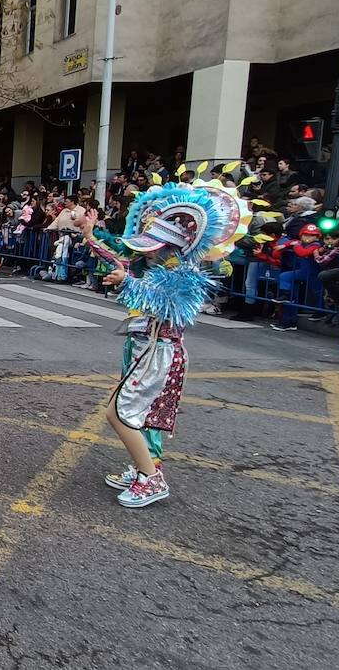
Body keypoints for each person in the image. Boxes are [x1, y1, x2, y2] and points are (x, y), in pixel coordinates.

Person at [83, 181, 247, 508]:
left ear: (170, 248)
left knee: (120, 413)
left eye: (153, 247)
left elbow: (168, 307)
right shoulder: (156, 268)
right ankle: (144, 469)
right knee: (133, 414)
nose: (147, 251)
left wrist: (127, 282)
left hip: (160, 352)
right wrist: (91, 236)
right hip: (146, 347)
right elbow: (121, 257)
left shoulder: (186, 278)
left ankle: (152, 479)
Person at [271, 224, 325, 331]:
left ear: (317, 237)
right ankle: (285, 295)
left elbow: (302, 252)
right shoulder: (300, 243)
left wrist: (295, 245)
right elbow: (277, 252)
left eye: (311, 235)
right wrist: (285, 246)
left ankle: (321, 311)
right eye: (305, 235)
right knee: (285, 277)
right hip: (303, 272)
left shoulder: (316, 245)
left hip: (315, 274)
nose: (307, 237)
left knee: (317, 293)